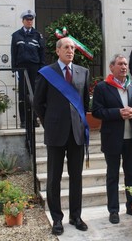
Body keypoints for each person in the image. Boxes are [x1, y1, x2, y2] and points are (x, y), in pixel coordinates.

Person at [33, 37, 89, 236]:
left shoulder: (83, 72)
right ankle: (57, 218)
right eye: (66, 47)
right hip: (56, 132)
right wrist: (49, 122)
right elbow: (38, 102)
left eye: (73, 48)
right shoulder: (48, 73)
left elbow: (84, 104)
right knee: (54, 177)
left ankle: (76, 216)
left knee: (76, 177)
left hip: (76, 133)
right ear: (57, 51)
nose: (70, 51)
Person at [92, 54, 132, 224]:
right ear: (112, 67)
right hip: (112, 139)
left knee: (131, 175)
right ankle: (113, 211)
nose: (124, 67)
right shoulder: (102, 87)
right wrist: (118, 113)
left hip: (131, 139)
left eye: (125, 64)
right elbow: (96, 111)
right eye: (120, 64)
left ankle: (131, 207)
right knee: (113, 176)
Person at [11, 9, 45, 128]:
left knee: (35, 93)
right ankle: (24, 120)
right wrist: (14, 68)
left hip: (34, 67)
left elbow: (42, 52)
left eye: (31, 20)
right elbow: (13, 52)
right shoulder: (16, 35)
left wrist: (42, 67)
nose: (30, 22)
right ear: (23, 21)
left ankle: (34, 119)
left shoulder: (37, 35)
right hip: (21, 68)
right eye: (27, 20)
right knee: (22, 94)